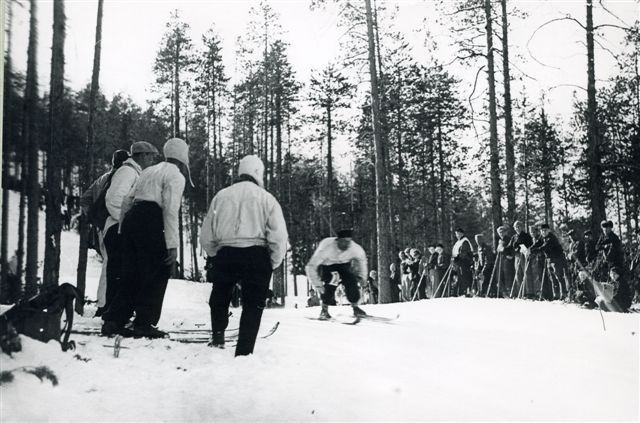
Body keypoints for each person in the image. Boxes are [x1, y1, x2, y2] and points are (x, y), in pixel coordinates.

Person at [200, 155, 288, 355]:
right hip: (256, 254)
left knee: (220, 295)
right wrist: (272, 262)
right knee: (253, 304)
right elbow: (278, 237)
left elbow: (206, 235)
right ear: (259, 173)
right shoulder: (267, 198)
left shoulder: (221, 196)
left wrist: (215, 254)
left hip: (226, 252)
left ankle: (218, 335)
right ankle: (244, 350)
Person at [102, 138, 188, 338]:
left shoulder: (149, 170)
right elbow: (170, 210)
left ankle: (114, 320)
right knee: (157, 272)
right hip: (151, 220)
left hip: (133, 219)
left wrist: (123, 229)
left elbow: (127, 200)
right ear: (183, 157)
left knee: (130, 273)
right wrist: (172, 246)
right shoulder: (175, 175)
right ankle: (143, 322)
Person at [101, 142, 158, 322]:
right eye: (150, 155)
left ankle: (115, 313)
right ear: (140, 155)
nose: (152, 160)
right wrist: (128, 223)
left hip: (122, 228)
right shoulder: (127, 172)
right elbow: (113, 199)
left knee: (123, 272)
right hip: (117, 229)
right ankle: (111, 313)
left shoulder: (135, 172)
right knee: (118, 272)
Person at [79, 149, 130, 316]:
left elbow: (85, 199)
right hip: (113, 224)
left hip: (103, 226)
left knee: (109, 264)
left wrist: (95, 219)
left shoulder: (102, 178)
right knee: (111, 265)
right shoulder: (121, 176)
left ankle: (106, 303)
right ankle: (104, 304)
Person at [305, 216, 368, 320]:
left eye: (348, 242)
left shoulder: (354, 248)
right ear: (337, 241)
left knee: (351, 280)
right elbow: (310, 266)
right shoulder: (327, 248)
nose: (346, 245)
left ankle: (355, 307)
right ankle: (324, 310)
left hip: (343, 265)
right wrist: (318, 285)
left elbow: (362, 261)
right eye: (343, 242)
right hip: (327, 265)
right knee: (334, 279)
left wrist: (363, 277)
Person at [530, 223, 571, 300]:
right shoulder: (542, 237)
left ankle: (563, 294)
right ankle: (556, 294)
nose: (543, 232)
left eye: (545, 230)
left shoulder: (551, 238)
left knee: (558, 276)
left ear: (549, 230)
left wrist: (534, 251)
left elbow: (544, 247)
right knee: (552, 277)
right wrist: (530, 249)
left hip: (557, 259)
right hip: (549, 259)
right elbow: (537, 243)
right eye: (542, 231)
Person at [507, 221, 534, 298]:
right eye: (516, 227)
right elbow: (510, 246)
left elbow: (530, 245)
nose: (517, 228)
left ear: (522, 227)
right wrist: (504, 250)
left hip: (524, 255)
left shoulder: (526, 236)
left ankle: (529, 292)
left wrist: (524, 248)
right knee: (518, 274)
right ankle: (520, 291)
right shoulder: (514, 237)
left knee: (526, 273)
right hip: (517, 256)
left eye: (519, 226)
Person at [451, 228, 474, 296]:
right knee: (460, 276)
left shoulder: (465, 241)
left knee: (465, 276)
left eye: (458, 233)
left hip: (464, 261)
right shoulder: (458, 242)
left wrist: (457, 257)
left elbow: (464, 252)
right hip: (459, 262)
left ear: (462, 233)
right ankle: (461, 291)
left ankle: (467, 291)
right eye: (456, 234)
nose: (457, 235)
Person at [495, 225, 515, 297]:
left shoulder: (509, 239)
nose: (501, 233)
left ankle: (509, 292)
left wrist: (509, 255)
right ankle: (503, 292)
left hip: (507, 260)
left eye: (503, 232)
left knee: (508, 276)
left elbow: (511, 249)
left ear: (506, 232)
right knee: (500, 276)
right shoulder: (500, 240)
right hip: (501, 260)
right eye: (500, 232)